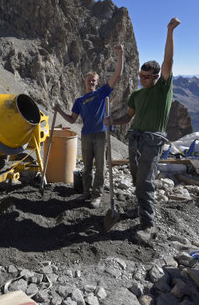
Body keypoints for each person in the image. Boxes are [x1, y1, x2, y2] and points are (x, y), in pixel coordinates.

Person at [104, 17, 180, 242]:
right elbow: (128, 117)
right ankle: (139, 208)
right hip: (134, 138)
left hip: (152, 140)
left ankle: (148, 224)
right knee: (137, 177)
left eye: (147, 77)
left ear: (156, 77)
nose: (142, 79)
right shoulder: (137, 94)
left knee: (146, 181)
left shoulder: (162, 90)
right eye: (140, 76)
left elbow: (168, 61)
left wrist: (169, 31)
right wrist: (111, 121)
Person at [54, 44, 124, 209]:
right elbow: (72, 120)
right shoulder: (79, 100)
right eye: (89, 80)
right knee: (86, 167)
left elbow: (117, 75)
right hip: (86, 135)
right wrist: (59, 111)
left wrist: (120, 54)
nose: (91, 82)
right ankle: (86, 192)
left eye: (94, 80)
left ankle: (96, 196)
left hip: (101, 134)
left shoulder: (101, 93)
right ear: (85, 82)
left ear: (97, 82)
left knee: (100, 167)